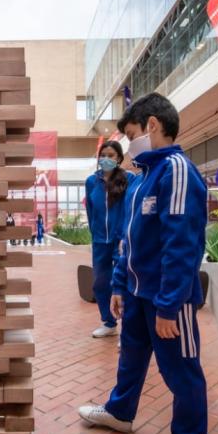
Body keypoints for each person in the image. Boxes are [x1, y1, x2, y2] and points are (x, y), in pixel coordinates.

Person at [78, 92, 208, 434]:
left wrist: (169, 306)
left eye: (132, 133)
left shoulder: (177, 171)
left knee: (182, 373)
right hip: (136, 294)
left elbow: (182, 246)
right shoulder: (141, 179)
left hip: (167, 300)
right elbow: (128, 241)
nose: (129, 143)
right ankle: (121, 412)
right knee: (130, 359)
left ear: (152, 126)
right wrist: (119, 285)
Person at [85, 140, 129, 339]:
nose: (106, 159)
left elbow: (131, 208)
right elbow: (90, 211)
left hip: (121, 241)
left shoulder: (128, 180)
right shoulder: (91, 182)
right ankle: (109, 323)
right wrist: (95, 233)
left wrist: (126, 234)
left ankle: (128, 328)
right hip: (100, 241)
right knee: (100, 283)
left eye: (110, 155)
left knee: (124, 282)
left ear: (119, 158)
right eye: (103, 155)